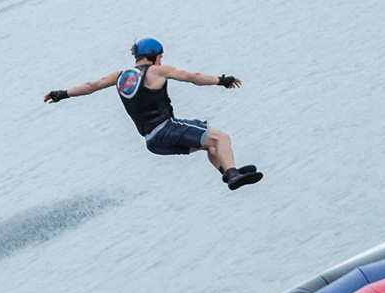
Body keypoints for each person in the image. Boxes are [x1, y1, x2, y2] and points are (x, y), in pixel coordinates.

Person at [44, 37, 263, 191]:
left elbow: (91, 86)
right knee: (221, 138)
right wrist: (221, 81)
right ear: (152, 55)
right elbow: (193, 77)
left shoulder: (119, 76)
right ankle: (233, 174)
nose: (161, 60)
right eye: (160, 56)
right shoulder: (157, 71)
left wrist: (61, 94)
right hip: (166, 129)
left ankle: (228, 171)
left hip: (152, 142)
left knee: (211, 145)